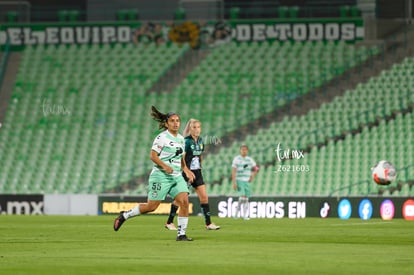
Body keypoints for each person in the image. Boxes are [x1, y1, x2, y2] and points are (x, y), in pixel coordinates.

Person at [113, 106, 195, 241]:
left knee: (184, 201)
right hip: (160, 175)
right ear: (167, 123)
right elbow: (153, 156)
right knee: (152, 207)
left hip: (175, 176)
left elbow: (181, 158)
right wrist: (164, 166)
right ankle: (125, 215)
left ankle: (181, 234)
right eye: (172, 121)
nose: (176, 123)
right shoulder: (161, 138)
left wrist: (186, 169)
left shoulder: (181, 139)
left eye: (178, 121)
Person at [165, 119, 220, 231]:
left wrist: (200, 165)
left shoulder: (200, 141)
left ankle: (208, 224)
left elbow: (199, 155)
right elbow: (182, 157)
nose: (196, 129)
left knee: (204, 197)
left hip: (197, 173)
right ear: (190, 129)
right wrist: (185, 170)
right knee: (180, 199)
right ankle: (169, 222)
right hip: (187, 172)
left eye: (198, 127)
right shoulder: (186, 141)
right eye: (194, 127)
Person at [231, 145, 259, 220]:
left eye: (245, 150)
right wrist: (234, 182)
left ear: (247, 151)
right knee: (242, 197)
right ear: (240, 151)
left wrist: (252, 176)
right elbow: (233, 170)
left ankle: (243, 215)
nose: (244, 151)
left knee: (246, 198)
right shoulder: (236, 159)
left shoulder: (250, 160)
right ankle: (238, 214)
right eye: (242, 150)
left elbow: (256, 168)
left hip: (247, 181)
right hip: (239, 180)